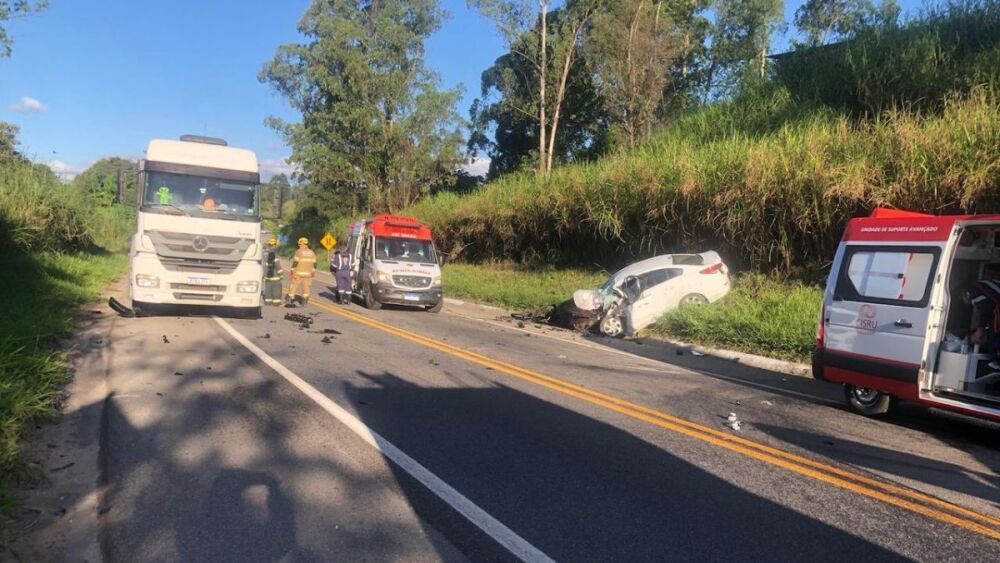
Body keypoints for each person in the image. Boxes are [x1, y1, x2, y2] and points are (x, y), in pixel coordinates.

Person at [288, 237, 317, 304]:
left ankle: (291, 297)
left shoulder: (299, 251)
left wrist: (292, 270)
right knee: (306, 287)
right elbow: (314, 263)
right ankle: (305, 299)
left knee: (294, 285)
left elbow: (295, 262)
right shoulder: (312, 252)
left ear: (301, 244)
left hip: (298, 273)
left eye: (299, 244)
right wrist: (313, 271)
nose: (299, 246)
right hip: (308, 274)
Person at [263, 238, 283, 306]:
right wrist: (281, 274)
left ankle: (268, 302)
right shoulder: (274, 253)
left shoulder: (264, 253)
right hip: (275, 275)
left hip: (266, 275)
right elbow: (277, 265)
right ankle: (276, 303)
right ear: (274, 245)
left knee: (268, 288)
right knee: (276, 288)